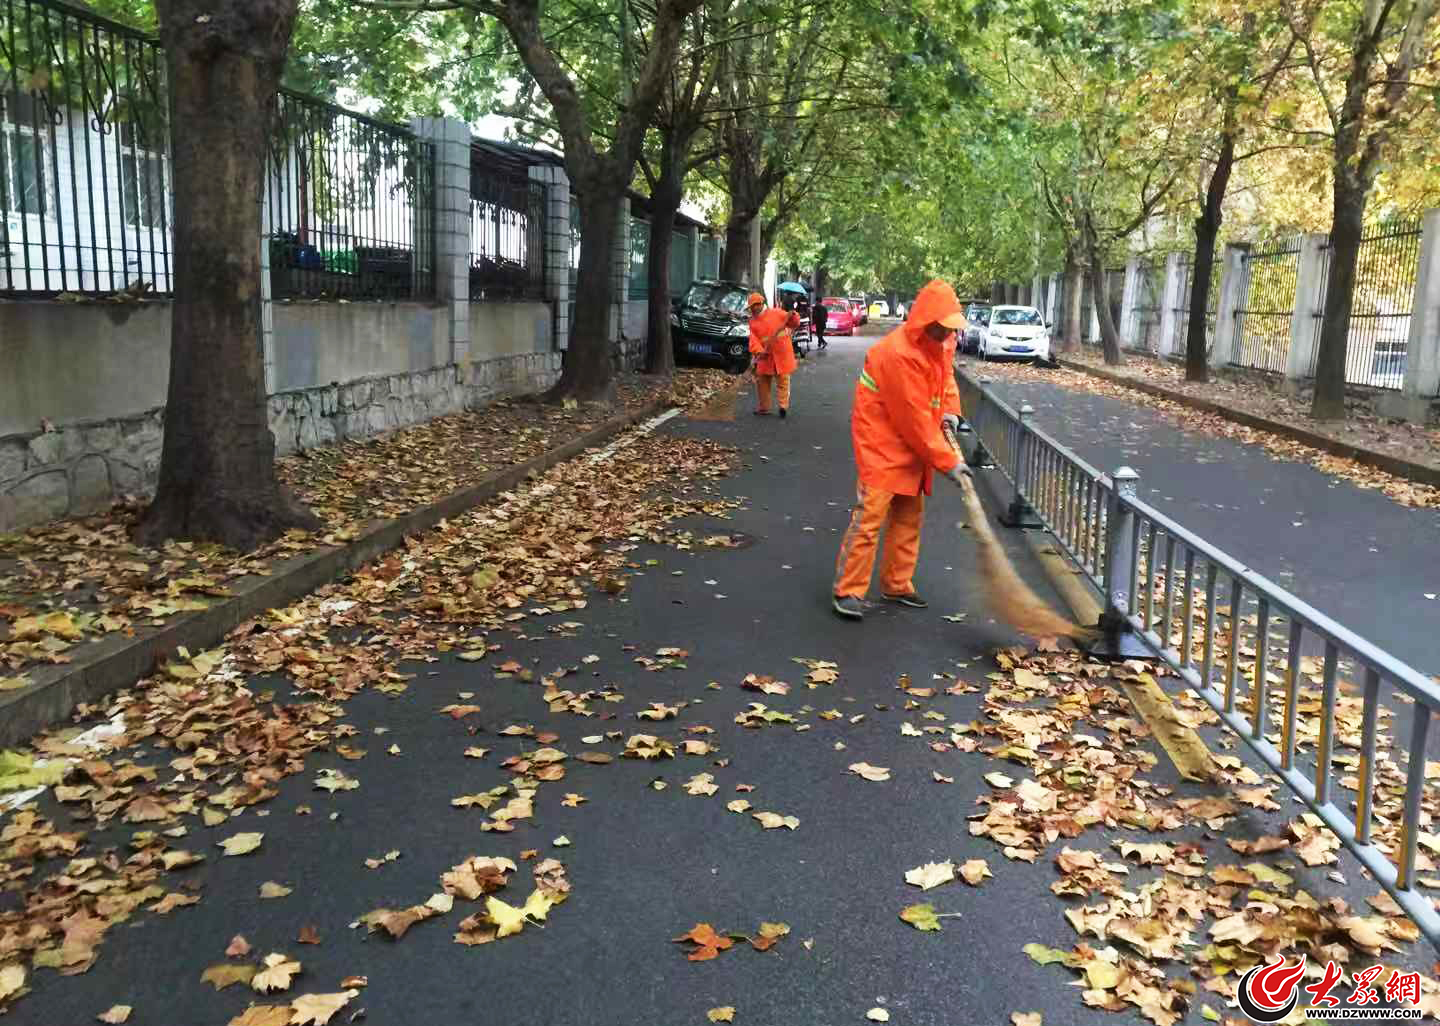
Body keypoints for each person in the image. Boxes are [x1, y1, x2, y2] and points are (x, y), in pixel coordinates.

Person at [831, 279, 970, 620]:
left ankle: (896, 583)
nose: (946, 333)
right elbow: (913, 418)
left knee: (909, 515)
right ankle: (848, 590)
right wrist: (947, 461)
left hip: (915, 444)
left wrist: (952, 410)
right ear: (926, 320)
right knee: (870, 516)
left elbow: (945, 379)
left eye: (949, 327)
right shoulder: (898, 354)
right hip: (882, 441)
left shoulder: (940, 342)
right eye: (941, 327)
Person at [747, 292, 800, 418]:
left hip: (782, 354)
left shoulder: (777, 313)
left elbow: (793, 323)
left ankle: (783, 407)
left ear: (759, 305)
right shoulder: (752, 322)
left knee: (783, 382)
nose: (752, 310)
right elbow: (753, 339)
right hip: (765, 356)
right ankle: (764, 408)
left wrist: (793, 316)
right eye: (750, 307)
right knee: (762, 382)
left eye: (753, 307)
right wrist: (759, 351)